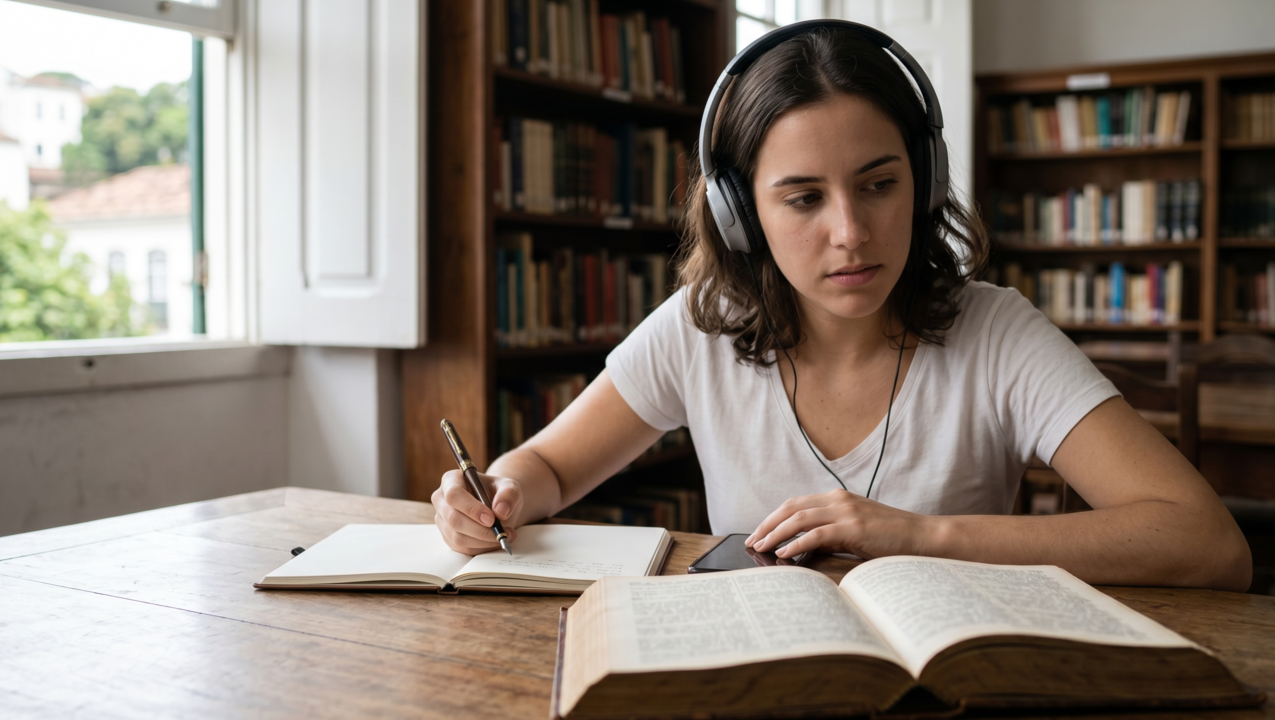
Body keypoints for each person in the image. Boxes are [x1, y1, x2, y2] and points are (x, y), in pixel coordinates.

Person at [432, 26, 1251, 592]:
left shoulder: (997, 333)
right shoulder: (699, 327)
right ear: (740, 216)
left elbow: (1208, 544)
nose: (852, 233)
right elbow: (546, 469)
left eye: (879, 184)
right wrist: (493, 492)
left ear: (924, 183)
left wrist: (920, 535)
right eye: (802, 199)